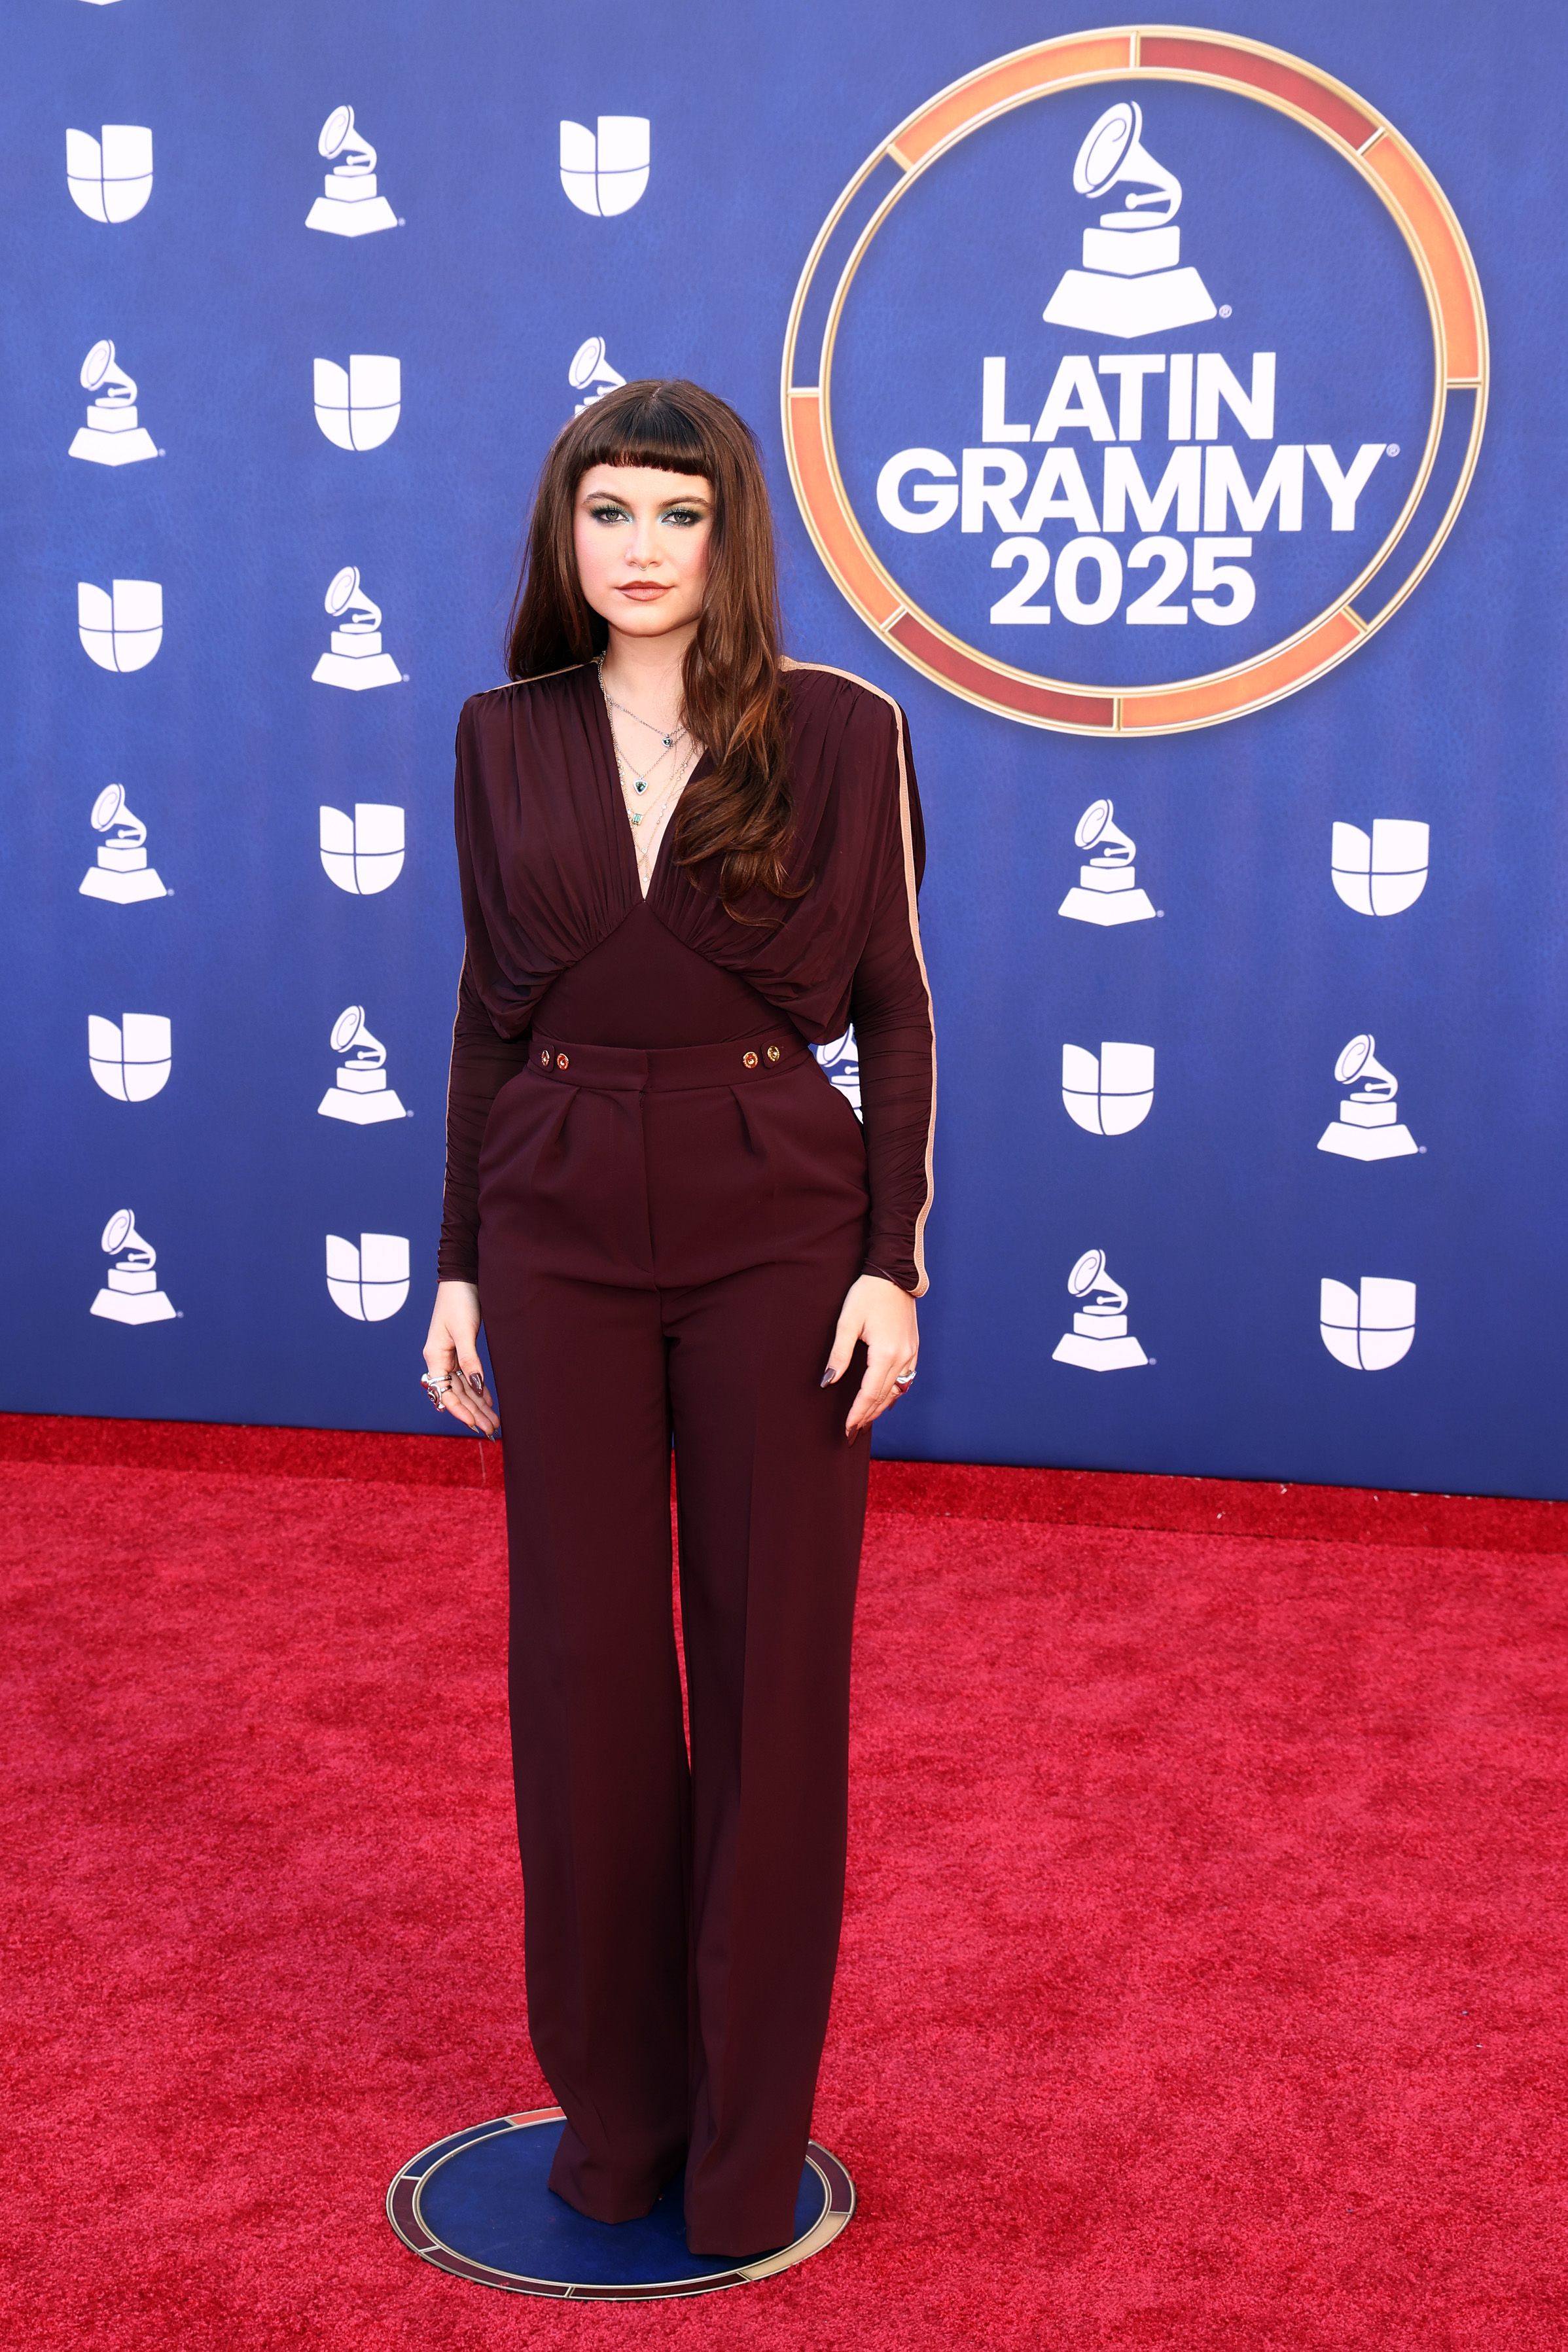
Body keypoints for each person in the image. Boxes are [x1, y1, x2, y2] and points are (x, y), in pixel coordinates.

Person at [421, 379, 935, 2261]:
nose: (638, 549)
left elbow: (892, 1000)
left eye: (674, 515)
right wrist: (457, 1260)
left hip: (776, 1230)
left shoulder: (837, 730)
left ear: (731, 539)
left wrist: (893, 1260)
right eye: (606, 514)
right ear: (566, 540)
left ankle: (742, 2146)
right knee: (582, 1679)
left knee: (773, 1673)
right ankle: (617, 2117)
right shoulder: (501, 734)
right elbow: (484, 1011)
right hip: (549, 1214)